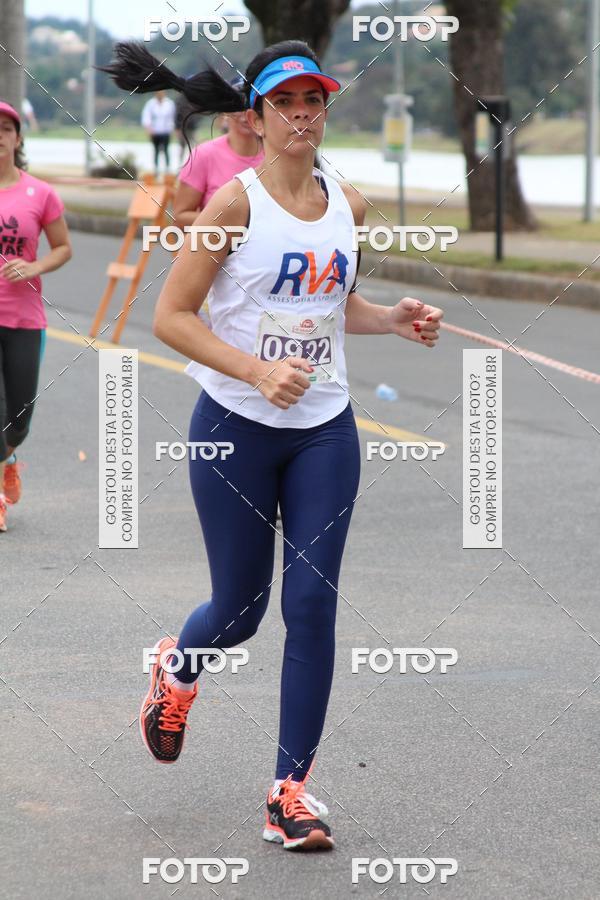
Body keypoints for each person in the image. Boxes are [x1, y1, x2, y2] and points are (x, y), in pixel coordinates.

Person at [100, 40, 443, 851]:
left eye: (313, 101)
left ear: (325, 111)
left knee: (313, 605)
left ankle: (289, 793)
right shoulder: (232, 207)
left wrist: (390, 317)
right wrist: (256, 371)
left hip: (325, 428)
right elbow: (172, 317)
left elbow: (336, 304)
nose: (300, 116)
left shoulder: (348, 206)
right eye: (284, 103)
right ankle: (179, 665)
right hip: (234, 428)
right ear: (255, 116)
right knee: (242, 610)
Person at [0, 101, 71, 532]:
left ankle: (10, 456)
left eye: (7, 128)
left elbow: (64, 248)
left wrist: (35, 266)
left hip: (25, 318)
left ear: (18, 138)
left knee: (18, 417)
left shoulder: (39, 193)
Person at [173, 75, 264, 227]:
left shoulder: (278, 157)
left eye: (253, 105)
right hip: (217, 247)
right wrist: (231, 221)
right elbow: (180, 217)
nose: (245, 113)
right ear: (224, 112)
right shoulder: (203, 155)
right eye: (237, 105)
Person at [141, 90, 176, 176]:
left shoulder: (169, 103)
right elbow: (146, 117)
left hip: (166, 131)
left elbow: (172, 117)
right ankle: (156, 169)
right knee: (156, 150)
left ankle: (168, 169)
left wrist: (172, 129)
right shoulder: (150, 104)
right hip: (155, 131)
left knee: (166, 149)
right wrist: (148, 128)